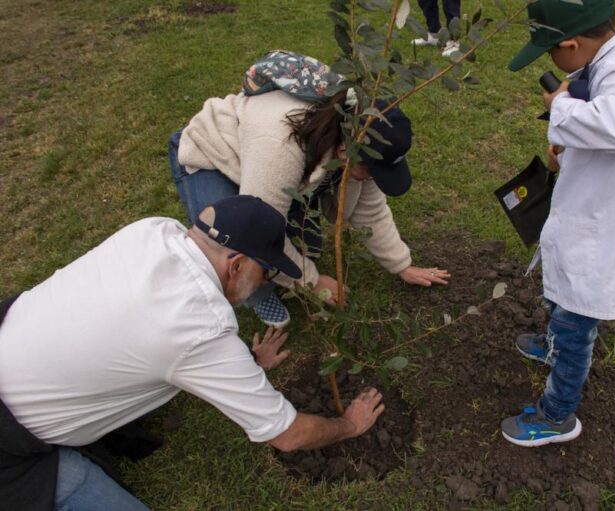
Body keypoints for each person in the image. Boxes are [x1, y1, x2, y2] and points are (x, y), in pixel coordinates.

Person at [0, 195, 385, 510]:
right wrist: (349, 426)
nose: (266, 282)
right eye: (265, 272)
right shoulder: (199, 328)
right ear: (235, 265)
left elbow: (149, 332)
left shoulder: (153, 230)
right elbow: (287, 435)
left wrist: (244, 365)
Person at [500, 0, 615, 447]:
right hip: (597, 204)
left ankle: (558, 415)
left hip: (610, 225)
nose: (552, 64)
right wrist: (569, 145)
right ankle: (553, 341)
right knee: (566, 285)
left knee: (578, 316)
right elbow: (606, 121)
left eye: (550, 53)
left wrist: (561, 108)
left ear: (572, 44)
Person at [169, 56, 450, 329]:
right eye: (370, 171)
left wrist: (402, 264)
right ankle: (259, 296)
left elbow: (371, 210)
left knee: (305, 250)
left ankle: (274, 269)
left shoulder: (361, 132)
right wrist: (313, 283)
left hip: (272, 167)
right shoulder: (280, 147)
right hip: (215, 156)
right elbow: (260, 233)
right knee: (235, 244)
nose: (370, 178)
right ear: (345, 151)